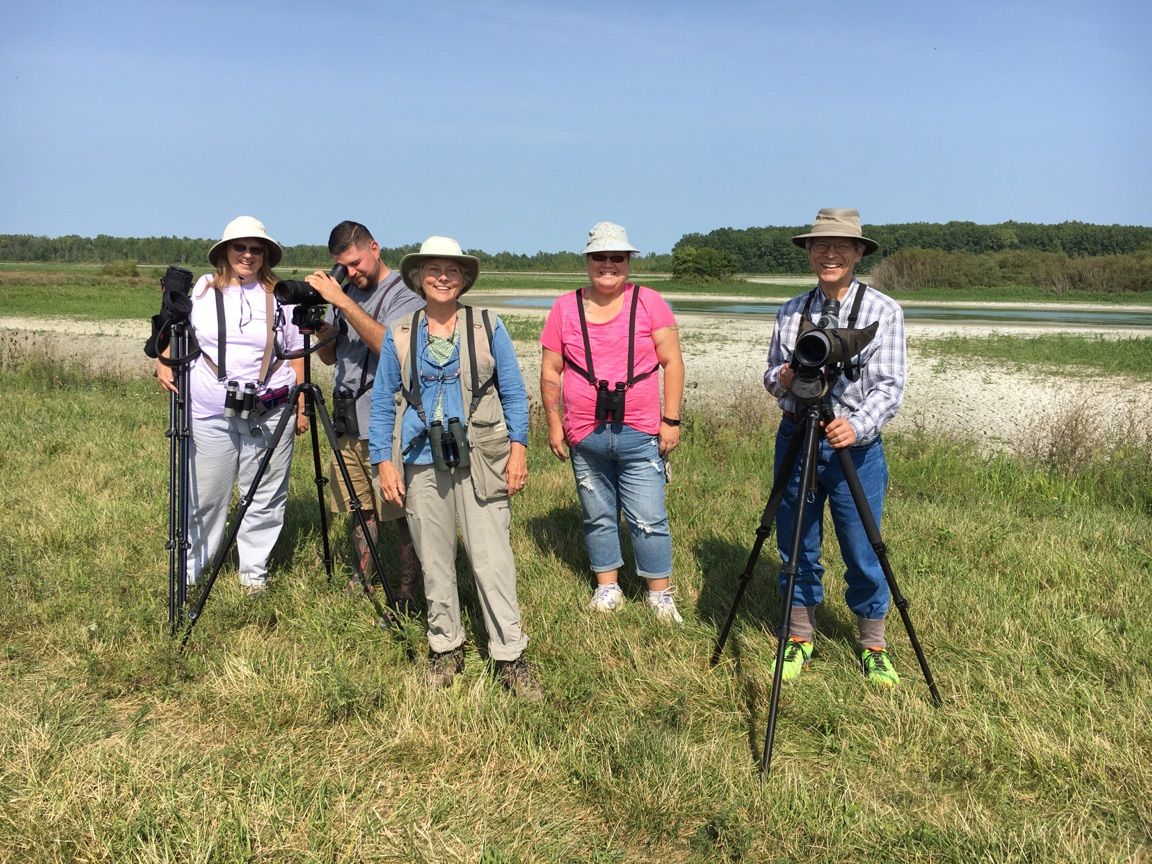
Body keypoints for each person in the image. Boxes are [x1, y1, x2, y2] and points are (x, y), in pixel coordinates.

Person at [368, 236, 540, 699]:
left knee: (491, 558)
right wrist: (384, 462)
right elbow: (383, 401)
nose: (443, 277)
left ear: (464, 279)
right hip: (420, 460)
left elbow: (514, 392)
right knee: (434, 559)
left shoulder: (486, 325)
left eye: (452, 270)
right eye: (433, 270)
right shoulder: (401, 332)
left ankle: (510, 654)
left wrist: (519, 448)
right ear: (419, 279)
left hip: (482, 454)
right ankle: (445, 647)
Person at [763, 207, 906, 686]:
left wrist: (857, 425)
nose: (829, 253)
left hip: (854, 446)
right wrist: (783, 376)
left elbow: (889, 386)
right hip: (795, 435)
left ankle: (873, 643)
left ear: (858, 253)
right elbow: (770, 377)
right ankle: (799, 635)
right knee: (795, 539)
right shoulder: (790, 310)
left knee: (863, 545)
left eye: (841, 246)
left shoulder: (883, 311)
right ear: (808, 252)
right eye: (820, 245)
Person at [539, 221, 687, 624]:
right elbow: (551, 371)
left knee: (648, 515)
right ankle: (608, 587)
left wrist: (670, 420)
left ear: (628, 262)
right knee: (596, 514)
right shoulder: (563, 308)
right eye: (600, 257)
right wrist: (554, 424)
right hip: (584, 433)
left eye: (616, 258)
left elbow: (672, 363)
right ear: (588, 261)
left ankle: (659, 593)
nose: (608, 265)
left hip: (640, 430)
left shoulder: (650, 302)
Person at [156, 215, 308, 596]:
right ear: (225, 251)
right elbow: (173, 329)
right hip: (209, 408)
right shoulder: (202, 291)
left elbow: (295, 350)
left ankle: (253, 573)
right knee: (207, 494)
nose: (248, 255)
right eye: (240, 247)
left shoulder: (281, 295)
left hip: (271, 406)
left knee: (265, 492)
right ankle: (192, 568)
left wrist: (301, 400)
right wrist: (162, 359)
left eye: (256, 249)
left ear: (266, 255)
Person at [304, 221, 425, 608]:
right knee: (360, 508)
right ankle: (363, 580)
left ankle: (407, 592)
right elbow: (331, 355)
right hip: (346, 416)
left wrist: (340, 300)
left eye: (355, 263)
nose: (351, 273)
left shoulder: (403, 293)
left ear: (374, 247)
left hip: (384, 421)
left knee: (399, 511)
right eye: (343, 267)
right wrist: (320, 328)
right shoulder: (351, 293)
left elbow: (391, 347)